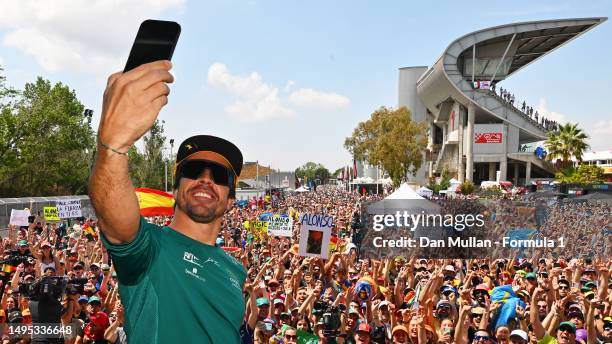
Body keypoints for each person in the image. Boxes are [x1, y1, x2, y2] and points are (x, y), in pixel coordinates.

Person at [89, 60, 246, 342]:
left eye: (220, 176)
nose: (206, 180)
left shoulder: (236, 269)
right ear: (175, 189)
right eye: (193, 171)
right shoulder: (151, 248)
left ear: (231, 199)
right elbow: (117, 223)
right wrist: (113, 147)